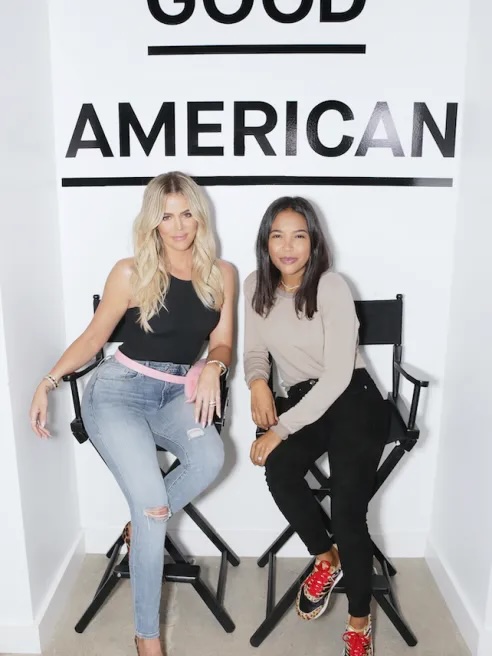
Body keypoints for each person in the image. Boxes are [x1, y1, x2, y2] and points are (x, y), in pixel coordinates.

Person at [29, 172, 234, 656]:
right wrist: (48, 382)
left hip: (175, 395)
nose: (178, 226)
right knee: (154, 510)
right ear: (152, 222)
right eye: (167, 216)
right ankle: (147, 637)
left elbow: (223, 341)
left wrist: (214, 366)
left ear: (200, 217)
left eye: (187, 214)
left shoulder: (220, 273)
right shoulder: (131, 272)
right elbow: (93, 338)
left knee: (209, 458)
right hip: (119, 392)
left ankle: (142, 522)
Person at [244, 196, 388, 656]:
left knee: (347, 512)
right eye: (277, 236)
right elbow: (255, 352)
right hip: (304, 400)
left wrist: (281, 427)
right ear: (265, 242)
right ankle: (327, 557)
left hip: (352, 398)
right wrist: (257, 383)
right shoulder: (254, 286)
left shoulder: (330, 286)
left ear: (314, 242)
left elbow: (338, 375)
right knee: (280, 470)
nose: (287, 247)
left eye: (298, 236)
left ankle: (359, 621)